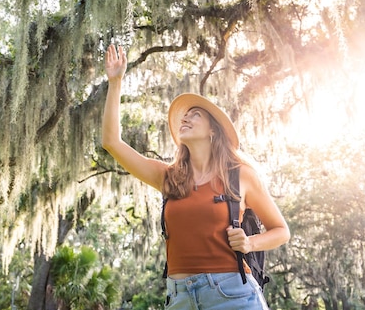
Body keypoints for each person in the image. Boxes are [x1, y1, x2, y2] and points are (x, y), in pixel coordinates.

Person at [101, 44, 290, 310]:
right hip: (179, 298)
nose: (185, 119)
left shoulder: (240, 176)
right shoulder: (168, 178)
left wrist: (249, 243)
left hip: (233, 294)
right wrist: (115, 82)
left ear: (213, 131)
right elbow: (111, 142)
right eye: (184, 117)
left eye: (195, 115)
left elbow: (281, 231)